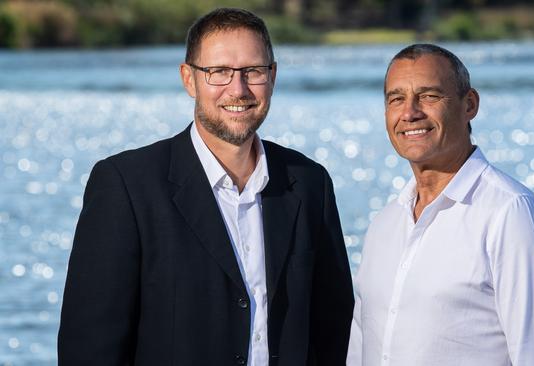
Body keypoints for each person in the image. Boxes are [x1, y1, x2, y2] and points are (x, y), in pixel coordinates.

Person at [58, 8, 353, 366]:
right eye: (219, 72)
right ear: (189, 79)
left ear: (272, 76)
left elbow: (333, 331)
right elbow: (89, 348)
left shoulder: (310, 183)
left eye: (253, 71)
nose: (238, 88)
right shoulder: (126, 185)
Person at [346, 44, 534, 366]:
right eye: (396, 99)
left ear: (470, 105)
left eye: (429, 96)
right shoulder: (385, 224)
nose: (410, 113)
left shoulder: (511, 214)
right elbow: (359, 350)